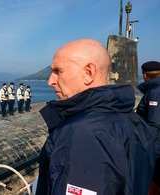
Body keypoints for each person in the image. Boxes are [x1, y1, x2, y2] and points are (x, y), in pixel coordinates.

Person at [36, 39, 156, 195]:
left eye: (58, 71)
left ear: (89, 73)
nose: (50, 82)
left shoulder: (83, 134)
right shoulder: (135, 122)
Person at [137, 61, 160, 189]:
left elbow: (154, 124)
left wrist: (149, 152)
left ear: (145, 75)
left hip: (154, 148)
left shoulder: (155, 92)